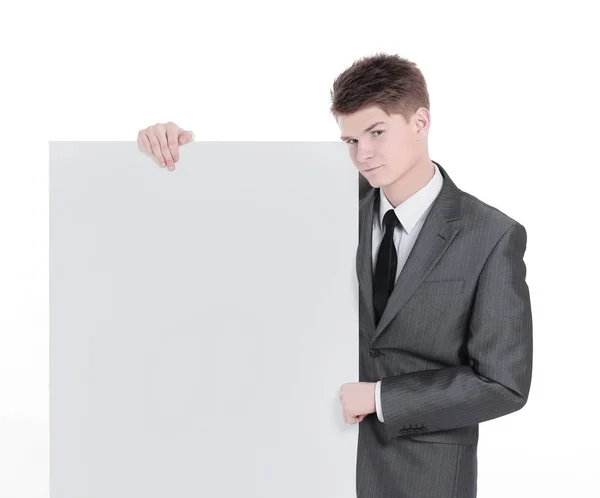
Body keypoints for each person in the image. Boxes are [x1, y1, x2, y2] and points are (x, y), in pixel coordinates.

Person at [137, 53, 533, 498]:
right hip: (309, 460)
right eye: (349, 140)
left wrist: (382, 398)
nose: (362, 154)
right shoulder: (328, 201)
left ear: (420, 121)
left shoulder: (492, 235)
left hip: (427, 473)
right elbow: (236, 216)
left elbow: (503, 383)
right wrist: (173, 151)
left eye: (376, 132)